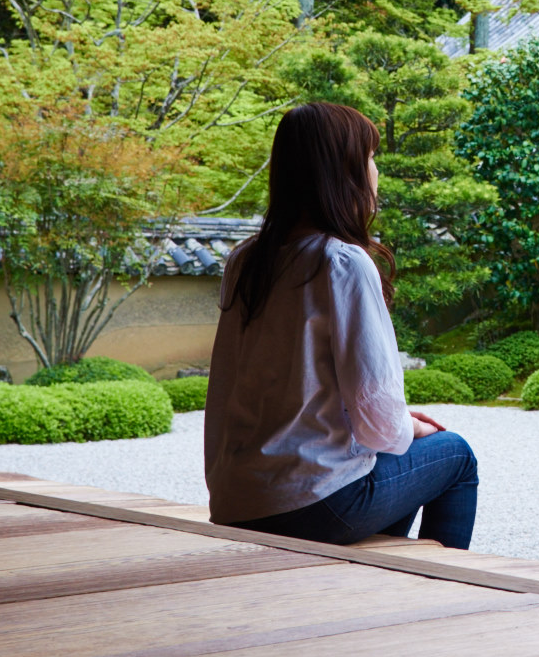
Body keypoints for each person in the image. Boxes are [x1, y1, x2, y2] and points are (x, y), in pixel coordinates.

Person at [205, 101, 478, 547]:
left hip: (238, 500)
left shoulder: (246, 260)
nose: (375, 171)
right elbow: (379, 421)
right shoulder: (341, 262)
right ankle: (438, 594)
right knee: (454, 455)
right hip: (311, 503)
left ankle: (374, 578)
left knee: (394, 460)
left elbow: (230, 392)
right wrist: (412, 427)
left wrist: (396, 427)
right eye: (370, 158)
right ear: (342, 171)